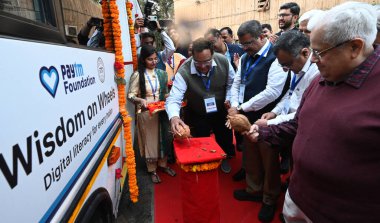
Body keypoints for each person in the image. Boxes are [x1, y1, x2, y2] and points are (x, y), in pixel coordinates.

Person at [244, 2, 380, 222]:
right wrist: (266, 133)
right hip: (299, 200)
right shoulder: (320, 79)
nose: (313, 60)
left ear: (355, 47)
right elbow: (299, 123)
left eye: (319, 52)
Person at [229, 20, 290, 222]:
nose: (244, 48)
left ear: (262, 36)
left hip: (266, 118)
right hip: (246, 114)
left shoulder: (275, 57)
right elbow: (237, 82)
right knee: (251, 155)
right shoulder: (246, 57)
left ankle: (269, 198)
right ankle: (254, 189)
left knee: (269, 159)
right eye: (242, 44)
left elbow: (272, 92)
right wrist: (234, 105)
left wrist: (241, 107)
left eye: (248, 44)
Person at [165, 38, 236, 173]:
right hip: (197, 110)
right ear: (192, 56)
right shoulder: (184, 70)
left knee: (224, 135)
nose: (203, 66)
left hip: (221, 108)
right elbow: (174, 97)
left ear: (213, 55)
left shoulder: (223, 62)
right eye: (198, 63)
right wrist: (174, 117)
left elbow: (232, 83)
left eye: (207, 62)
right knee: (200, 138)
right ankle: (204, 160)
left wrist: (229, 99)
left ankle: (224, 157)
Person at [128, 44, 176, 184]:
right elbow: (130, 95)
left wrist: (170, 97)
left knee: (164, 138)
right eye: (150, 59)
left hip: (161, 111)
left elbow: (165, 93)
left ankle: (163, 165)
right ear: (143, 60)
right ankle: (152, 170)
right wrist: (140, 100)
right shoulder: (137, 75)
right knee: (151, 141)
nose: (154, 62)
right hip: (146, 113)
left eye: (155, 59)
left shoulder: (161, 73)